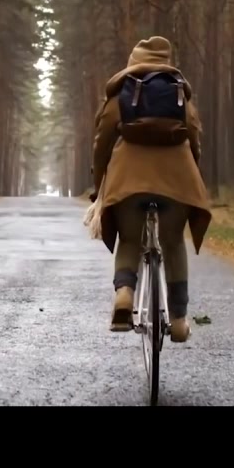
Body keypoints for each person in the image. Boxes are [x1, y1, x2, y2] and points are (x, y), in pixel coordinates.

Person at [90, 36, 212, 341]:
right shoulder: (179, 92)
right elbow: (194, 137)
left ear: (134, 62)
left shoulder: (122, 93)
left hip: (128, 183)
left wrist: (100, 183)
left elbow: (102, 143)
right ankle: (179, 320)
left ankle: (124, 295)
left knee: (130, 239)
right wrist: (190, 173)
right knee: (173, 242)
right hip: (177, 181)